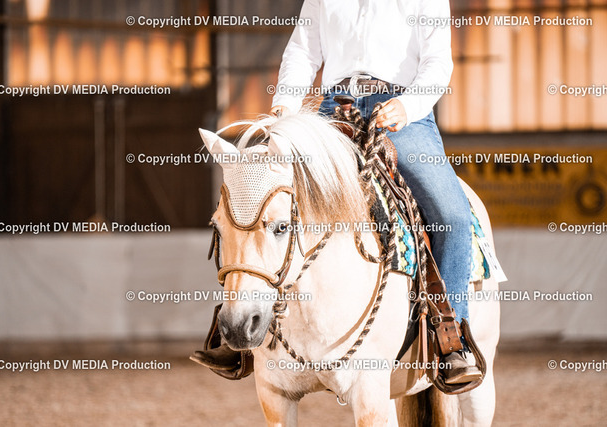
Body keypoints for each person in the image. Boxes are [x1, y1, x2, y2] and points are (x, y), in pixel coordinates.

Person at [193, 0, 481, 384]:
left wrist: (406, 105)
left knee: (453, 216)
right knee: (263, 192)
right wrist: (284, 107)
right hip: (331, 111)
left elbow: (437, 63)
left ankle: (450, 334)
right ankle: (238, 321)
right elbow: (303, 51)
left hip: (400, 114)